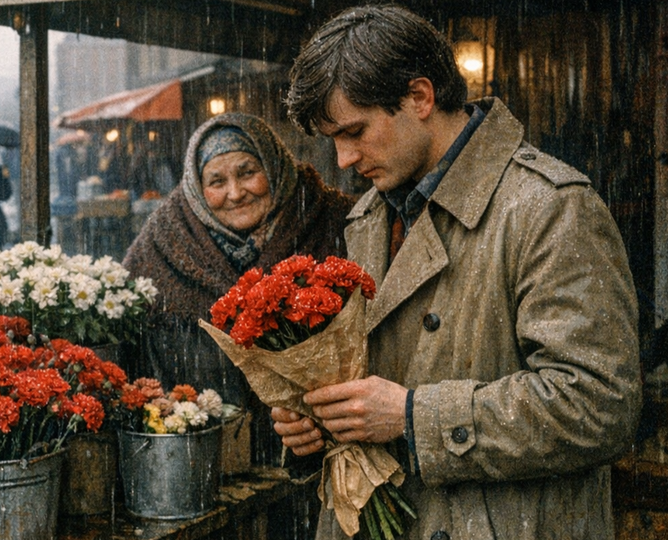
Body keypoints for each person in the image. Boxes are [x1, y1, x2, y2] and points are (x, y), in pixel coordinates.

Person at [270, 6, 641, 540]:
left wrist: (414, 418)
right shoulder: (368, 217)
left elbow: (600, 405)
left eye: (354, 132)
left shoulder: (548, 207)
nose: (343, 159)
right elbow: (371, 374)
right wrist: (318, 423)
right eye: (332, 139)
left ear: (420, 97)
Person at [123, 112, 357, 468]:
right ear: (196, 189)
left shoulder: (330, 219)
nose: (235, 193)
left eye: (248, 172)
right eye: (216, 181)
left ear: (274, 165)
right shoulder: (166, 238)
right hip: (205, 458)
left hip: (327, 452)